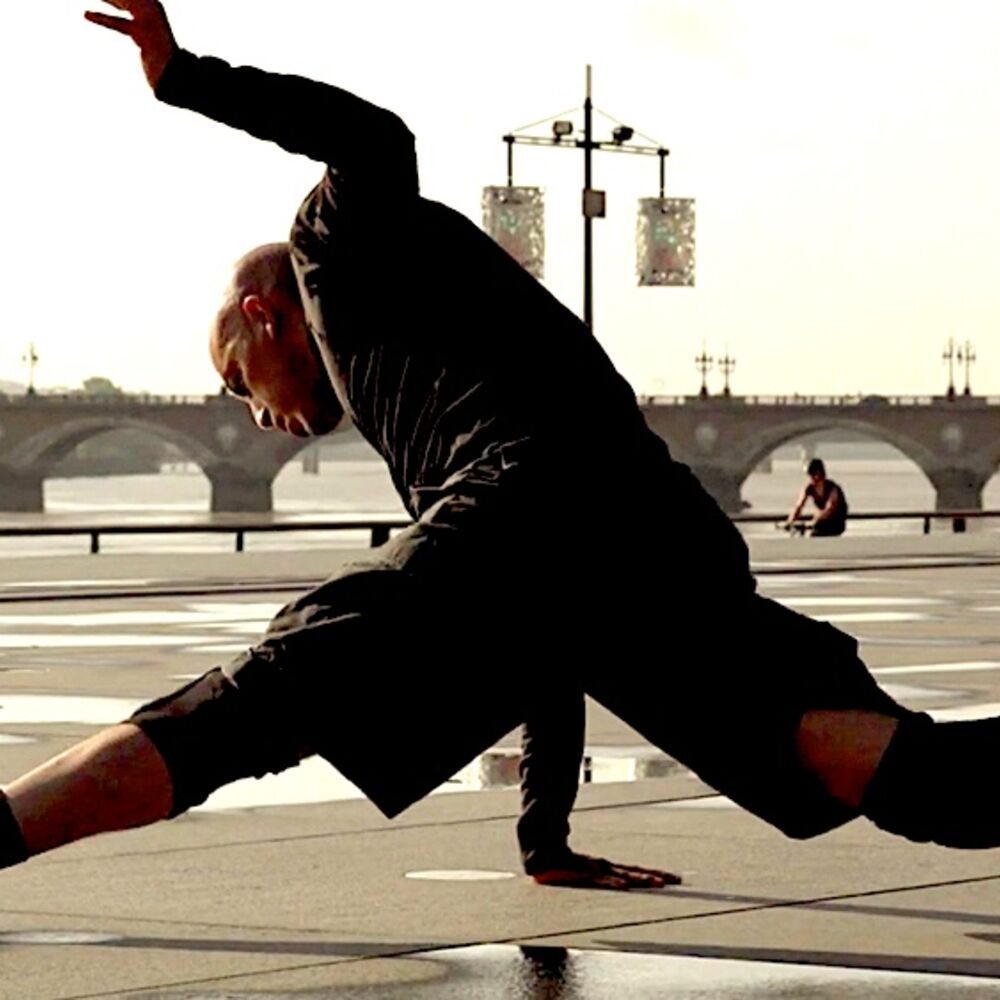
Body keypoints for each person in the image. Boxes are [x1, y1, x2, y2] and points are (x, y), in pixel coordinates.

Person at [4, 0, 1000, 892]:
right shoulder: (425, 369)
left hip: (532, 499)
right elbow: (544, 630)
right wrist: (544, 837)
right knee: (868, 766)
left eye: (237, 380)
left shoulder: (328, 250)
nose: (252, 416)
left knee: (237, 713)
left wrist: (186, 78)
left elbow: (374, 138)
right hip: (652, 532)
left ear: (264, 316)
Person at [786, 458, 848, 537]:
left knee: (816, 531)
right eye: (811, 475)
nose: (812, 478)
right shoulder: (809, 488)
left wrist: (814, 520)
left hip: (836, 522)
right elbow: (799, 506)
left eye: (815, 475)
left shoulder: (833, 488)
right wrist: (790, 521)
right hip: (820, 522)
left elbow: (830, 508)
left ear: (821, 474)